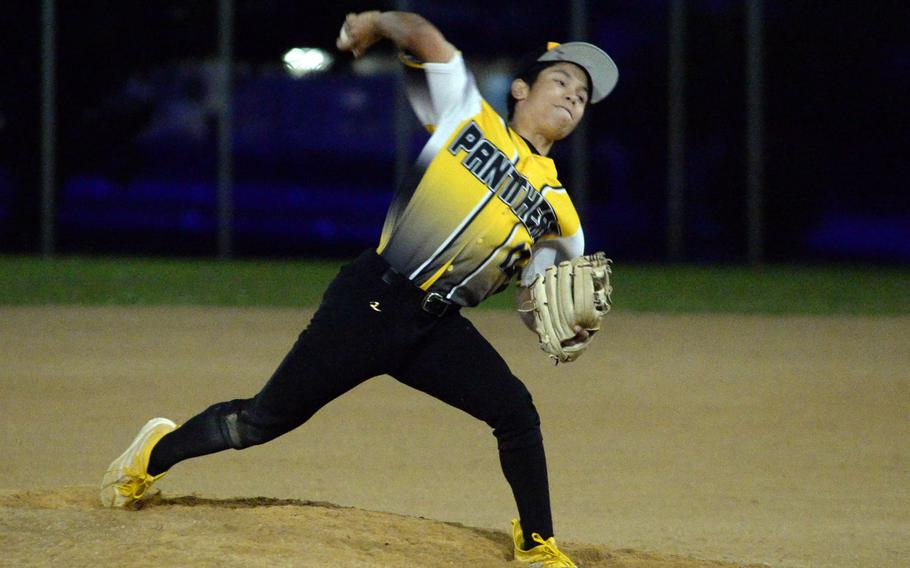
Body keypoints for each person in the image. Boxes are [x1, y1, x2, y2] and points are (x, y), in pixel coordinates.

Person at [100, 10, 618, 567]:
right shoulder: (467, 119)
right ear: (521, 88)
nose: (572, 95)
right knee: (260, 422)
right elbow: (427, 39)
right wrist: (375, 22)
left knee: (516, 412)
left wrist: (564, 325)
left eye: (582, 95)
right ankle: (153, 454)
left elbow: (534, 298)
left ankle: (537, 543)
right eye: (560, 80)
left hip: (436, 327)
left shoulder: (561, 216)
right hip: (372, 299)